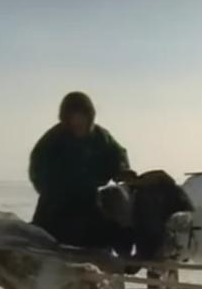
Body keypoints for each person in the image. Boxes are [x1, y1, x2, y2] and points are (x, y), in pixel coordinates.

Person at [29, 91, 134, 250]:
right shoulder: (54, 139)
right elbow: (38, 167)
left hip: (88, 200)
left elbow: (117, 155)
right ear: (66, 119)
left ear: (89, 117)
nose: (78, 121)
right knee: (46, 238)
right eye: (73, 117)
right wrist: (54, 188)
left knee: (111, 231)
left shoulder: (100, 136)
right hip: (55, 204)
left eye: (82, 116)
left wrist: (122, 171)